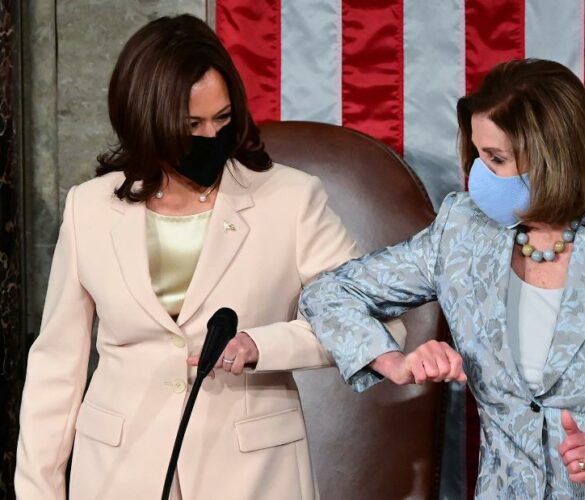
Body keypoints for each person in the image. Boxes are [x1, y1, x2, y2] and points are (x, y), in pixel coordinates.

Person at [300, 59, 585, 498]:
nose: (478, 173)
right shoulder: (462, 231)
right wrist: (393, 360)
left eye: (496, 159)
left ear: (553, 159)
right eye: (478, 155)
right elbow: (330, 292)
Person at [15, 14, 368, 500]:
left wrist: (262, 346)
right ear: (146, 119)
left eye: (221, 119)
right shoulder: (89, 208)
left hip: (252, 476)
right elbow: (56, 367)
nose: (210, 137)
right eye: (190, 125)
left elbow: (371, 325)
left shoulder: (291, 199)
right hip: (118, 475)